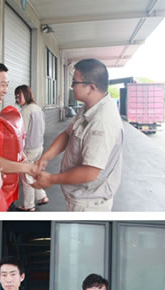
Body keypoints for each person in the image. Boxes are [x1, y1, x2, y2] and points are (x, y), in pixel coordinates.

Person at [32, 58, 124, 211]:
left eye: (75, 82)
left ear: (91, 87)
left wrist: (51, 179)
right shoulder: (88, 107)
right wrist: (46, 157)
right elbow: (68, 134)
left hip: (89, 204)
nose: (71, 86)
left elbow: (90, 172)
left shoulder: (102, 121)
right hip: (79, 198)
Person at [14, 84, 49, 211]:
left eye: (19, 95)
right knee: (33, 173)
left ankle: (29, 205)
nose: (17, 99)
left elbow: (22, 132)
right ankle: (42, 196)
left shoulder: (25, 111)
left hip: (29, 149)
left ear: (26, 94)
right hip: (39, 146)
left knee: (26, 177)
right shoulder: (38, 108)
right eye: (16, 96)